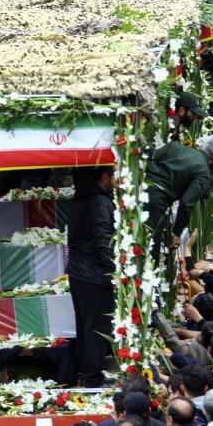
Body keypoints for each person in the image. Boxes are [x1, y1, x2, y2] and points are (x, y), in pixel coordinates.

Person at [67, 166, 118, 387]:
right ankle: (92, 378)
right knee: (97, 328)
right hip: (94, 273)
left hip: (79, 271)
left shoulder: (80, 198)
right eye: (115, 175)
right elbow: (103, 240)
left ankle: (84, 372)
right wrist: (114, 272)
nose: (118, 181)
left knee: (85, 326)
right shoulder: (100, 202)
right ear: (104, 177)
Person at [145, 135, 213, 256]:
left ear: (202, 145)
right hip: (157, 203)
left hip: (140, 190)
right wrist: (177, 233)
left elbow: (152, 157)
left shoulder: (175, 146)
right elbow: (187, 202)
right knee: (150, 251)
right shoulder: (204, 173)